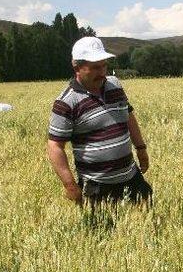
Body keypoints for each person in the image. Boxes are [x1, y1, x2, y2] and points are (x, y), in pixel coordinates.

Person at [47, 36, 152, 205]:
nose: (102, 72)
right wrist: (70, 185)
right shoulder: (66, 102)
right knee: (104, 230)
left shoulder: (115, 85)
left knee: (149, 223)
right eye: (95, 67)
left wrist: (141, 148)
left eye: (104, 66)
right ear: (77, 66)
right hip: (96, 188)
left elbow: (129, 116)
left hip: (131, 177)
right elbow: (55, 146)